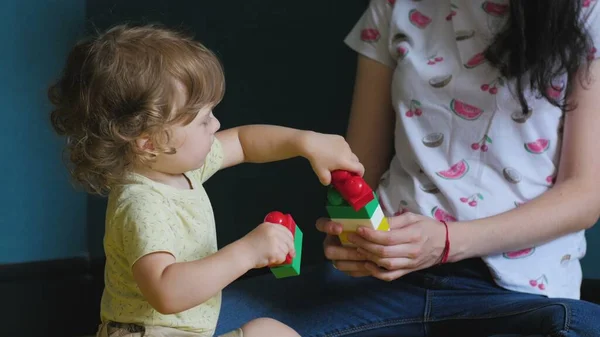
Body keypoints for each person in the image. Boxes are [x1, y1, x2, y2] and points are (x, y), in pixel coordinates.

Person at [215, 1, 600, 336]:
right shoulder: (394, 4)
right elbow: (357, 168)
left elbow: (585, 195)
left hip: (518, 294)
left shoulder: (588, 11)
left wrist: (447, 242)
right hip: (385, 280)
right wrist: (351, 235)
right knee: (187, 322)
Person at [47, 24, 365, 337]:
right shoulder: (141, 205)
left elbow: (243, 142)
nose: (216, 124)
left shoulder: (178, 168)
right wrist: (249, 251)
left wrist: (305, 142)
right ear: (148, 142)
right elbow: (166, 291)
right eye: (202, 120)